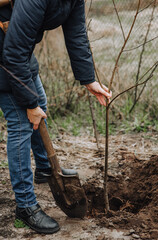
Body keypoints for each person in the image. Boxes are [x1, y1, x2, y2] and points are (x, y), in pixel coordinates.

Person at [0, 0, 112, 234]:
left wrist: (88, 79)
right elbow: (12, 54)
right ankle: (25, 206)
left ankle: (45, 168)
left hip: (17, 47)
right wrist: (30, 105)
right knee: (21, 121)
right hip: (5, 54)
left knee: (40, 99)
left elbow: (77, 34)